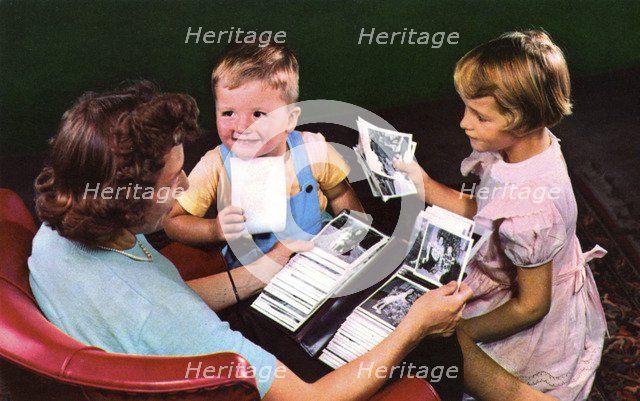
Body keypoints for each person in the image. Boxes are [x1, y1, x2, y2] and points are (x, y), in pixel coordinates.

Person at [29, 81, 555, 401]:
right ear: (124, 198)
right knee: (433, 338)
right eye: (171, 180)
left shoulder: (56, 234)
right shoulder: (169, 321)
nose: (187, 185)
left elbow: (162, 296)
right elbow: (310, 397)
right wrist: (414, 325)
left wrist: (270, 265)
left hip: (155, 346)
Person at [395, 30, 607, 399]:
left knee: (453, 360)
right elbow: (490, 212)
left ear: (521, 121)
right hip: (516, 279)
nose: (464, 122)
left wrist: (468, 331)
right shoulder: (525, 149)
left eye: (479, 115)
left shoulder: (531, 217)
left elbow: (531, 305)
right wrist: (425, 184)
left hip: (525, 310)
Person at [165, 42, 364, 268]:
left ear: (290, 119)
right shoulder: (216, 164)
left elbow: (340, 194)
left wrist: (355, 240)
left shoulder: (312, 151)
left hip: (317, 262)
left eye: (259, 114)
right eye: (228, 113)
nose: (241, 126)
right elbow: (174, 222)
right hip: (254, 275)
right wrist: (214, 229)